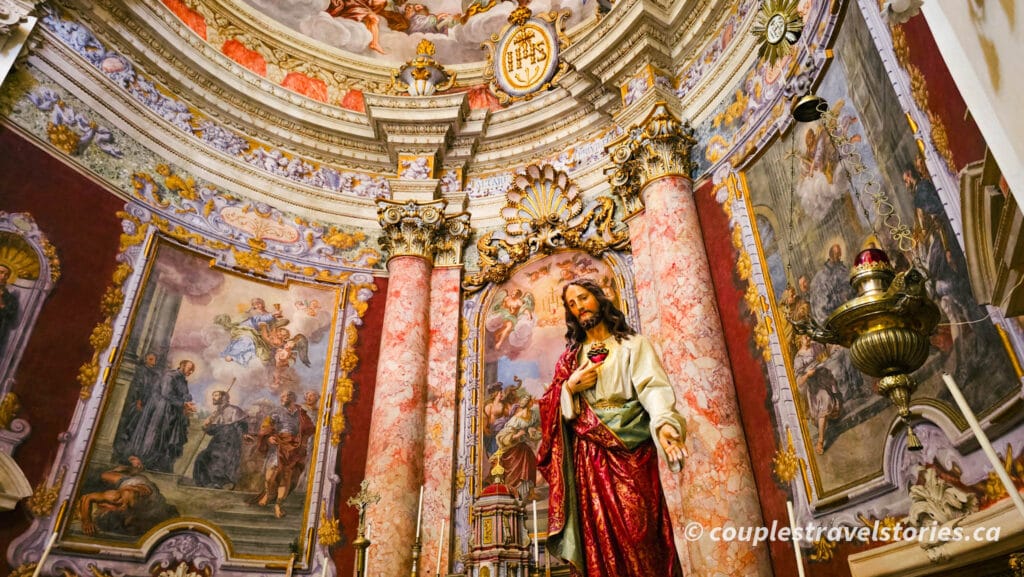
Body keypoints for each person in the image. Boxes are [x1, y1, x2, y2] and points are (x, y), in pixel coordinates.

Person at [537, 278, 686, 577]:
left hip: (632, 452)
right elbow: (548, 406)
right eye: (572, 304)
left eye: (583, 298)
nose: (579, 307)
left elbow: (652, 388)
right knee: (599, 541)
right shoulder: (570, 360)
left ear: (600, 299)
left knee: (640, 534)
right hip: (589, 459)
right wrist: (569, 387)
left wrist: (665, 424)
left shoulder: (633, 345)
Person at [123, 360, 197, 473]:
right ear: (182, 366)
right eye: (189, 368)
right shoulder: (170, 376)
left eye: (193, 370)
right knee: (155, 433)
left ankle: (155, 463)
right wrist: (183, 404)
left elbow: (184, 394)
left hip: (171, 411)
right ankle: (144, 459)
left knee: (165, 437)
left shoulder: (182, 380)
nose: (191, 371)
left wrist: (187, 402)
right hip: (161, 409)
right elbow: (166, 393)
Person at [249, 391, 315, 518]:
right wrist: (268, 437)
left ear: (292, 398)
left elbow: (310, 428)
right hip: (278, 443)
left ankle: (279, 505)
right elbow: (266, 426)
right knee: (270, 476)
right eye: (281, 397)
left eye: (284, 396)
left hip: (294, 447)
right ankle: (268, 494)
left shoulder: (301, 413)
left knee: (286, 476)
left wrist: (302, 441)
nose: (282, 398)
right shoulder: (276, 412)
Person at [77, 456, 179, 536]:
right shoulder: (122, 500)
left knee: (105, 476)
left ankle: (129, 470)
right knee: (105, 475)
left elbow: (87, 498)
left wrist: (86, 521)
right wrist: (87, 521)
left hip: (138, 485)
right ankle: (129, 471)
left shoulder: (122, 500)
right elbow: (87, 498)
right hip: (136, 484)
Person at [113, 352, 162, 463]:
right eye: (151, 359)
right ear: (145, 360)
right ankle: (121, 453)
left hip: (148, 403)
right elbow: (138, 386)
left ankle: (131, 454)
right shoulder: (140, 371)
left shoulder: (154, 374)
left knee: (139, 427)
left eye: (154, 360)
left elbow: (154, 389)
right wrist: (138, 401)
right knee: (130, 424)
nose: (153, 362)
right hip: (137, 401)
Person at [193, 390, 248, 489]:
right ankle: (205, 483)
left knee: (218, 458)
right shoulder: (216, 413)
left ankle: (220, 482)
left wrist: (243, 434)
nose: (213, 398)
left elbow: (242, 425)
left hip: (229, 442)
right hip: (217, 441)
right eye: (213, 395)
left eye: (216, 395)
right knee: (202, 457)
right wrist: (206, 426)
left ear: (224, 397)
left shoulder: (234, 410)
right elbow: (214, 430)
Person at [216, 298, 284, 365]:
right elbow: (258, 319)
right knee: (247, 339)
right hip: (247, 328)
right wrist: (272, 315)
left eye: (258, 304)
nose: (257, 306)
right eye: (254, 305)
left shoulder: (268, 314)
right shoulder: (253, 313)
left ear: (263, 304)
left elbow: (274, 325)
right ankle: (232, 354)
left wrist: (275, 317)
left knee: (258, 349)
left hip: (259, 334)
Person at [0, 263, 19, 349]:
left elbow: (10, 315)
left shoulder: (10, 298)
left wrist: (2, 304)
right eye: (1, 272)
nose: (3, 276)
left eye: (6, 275)